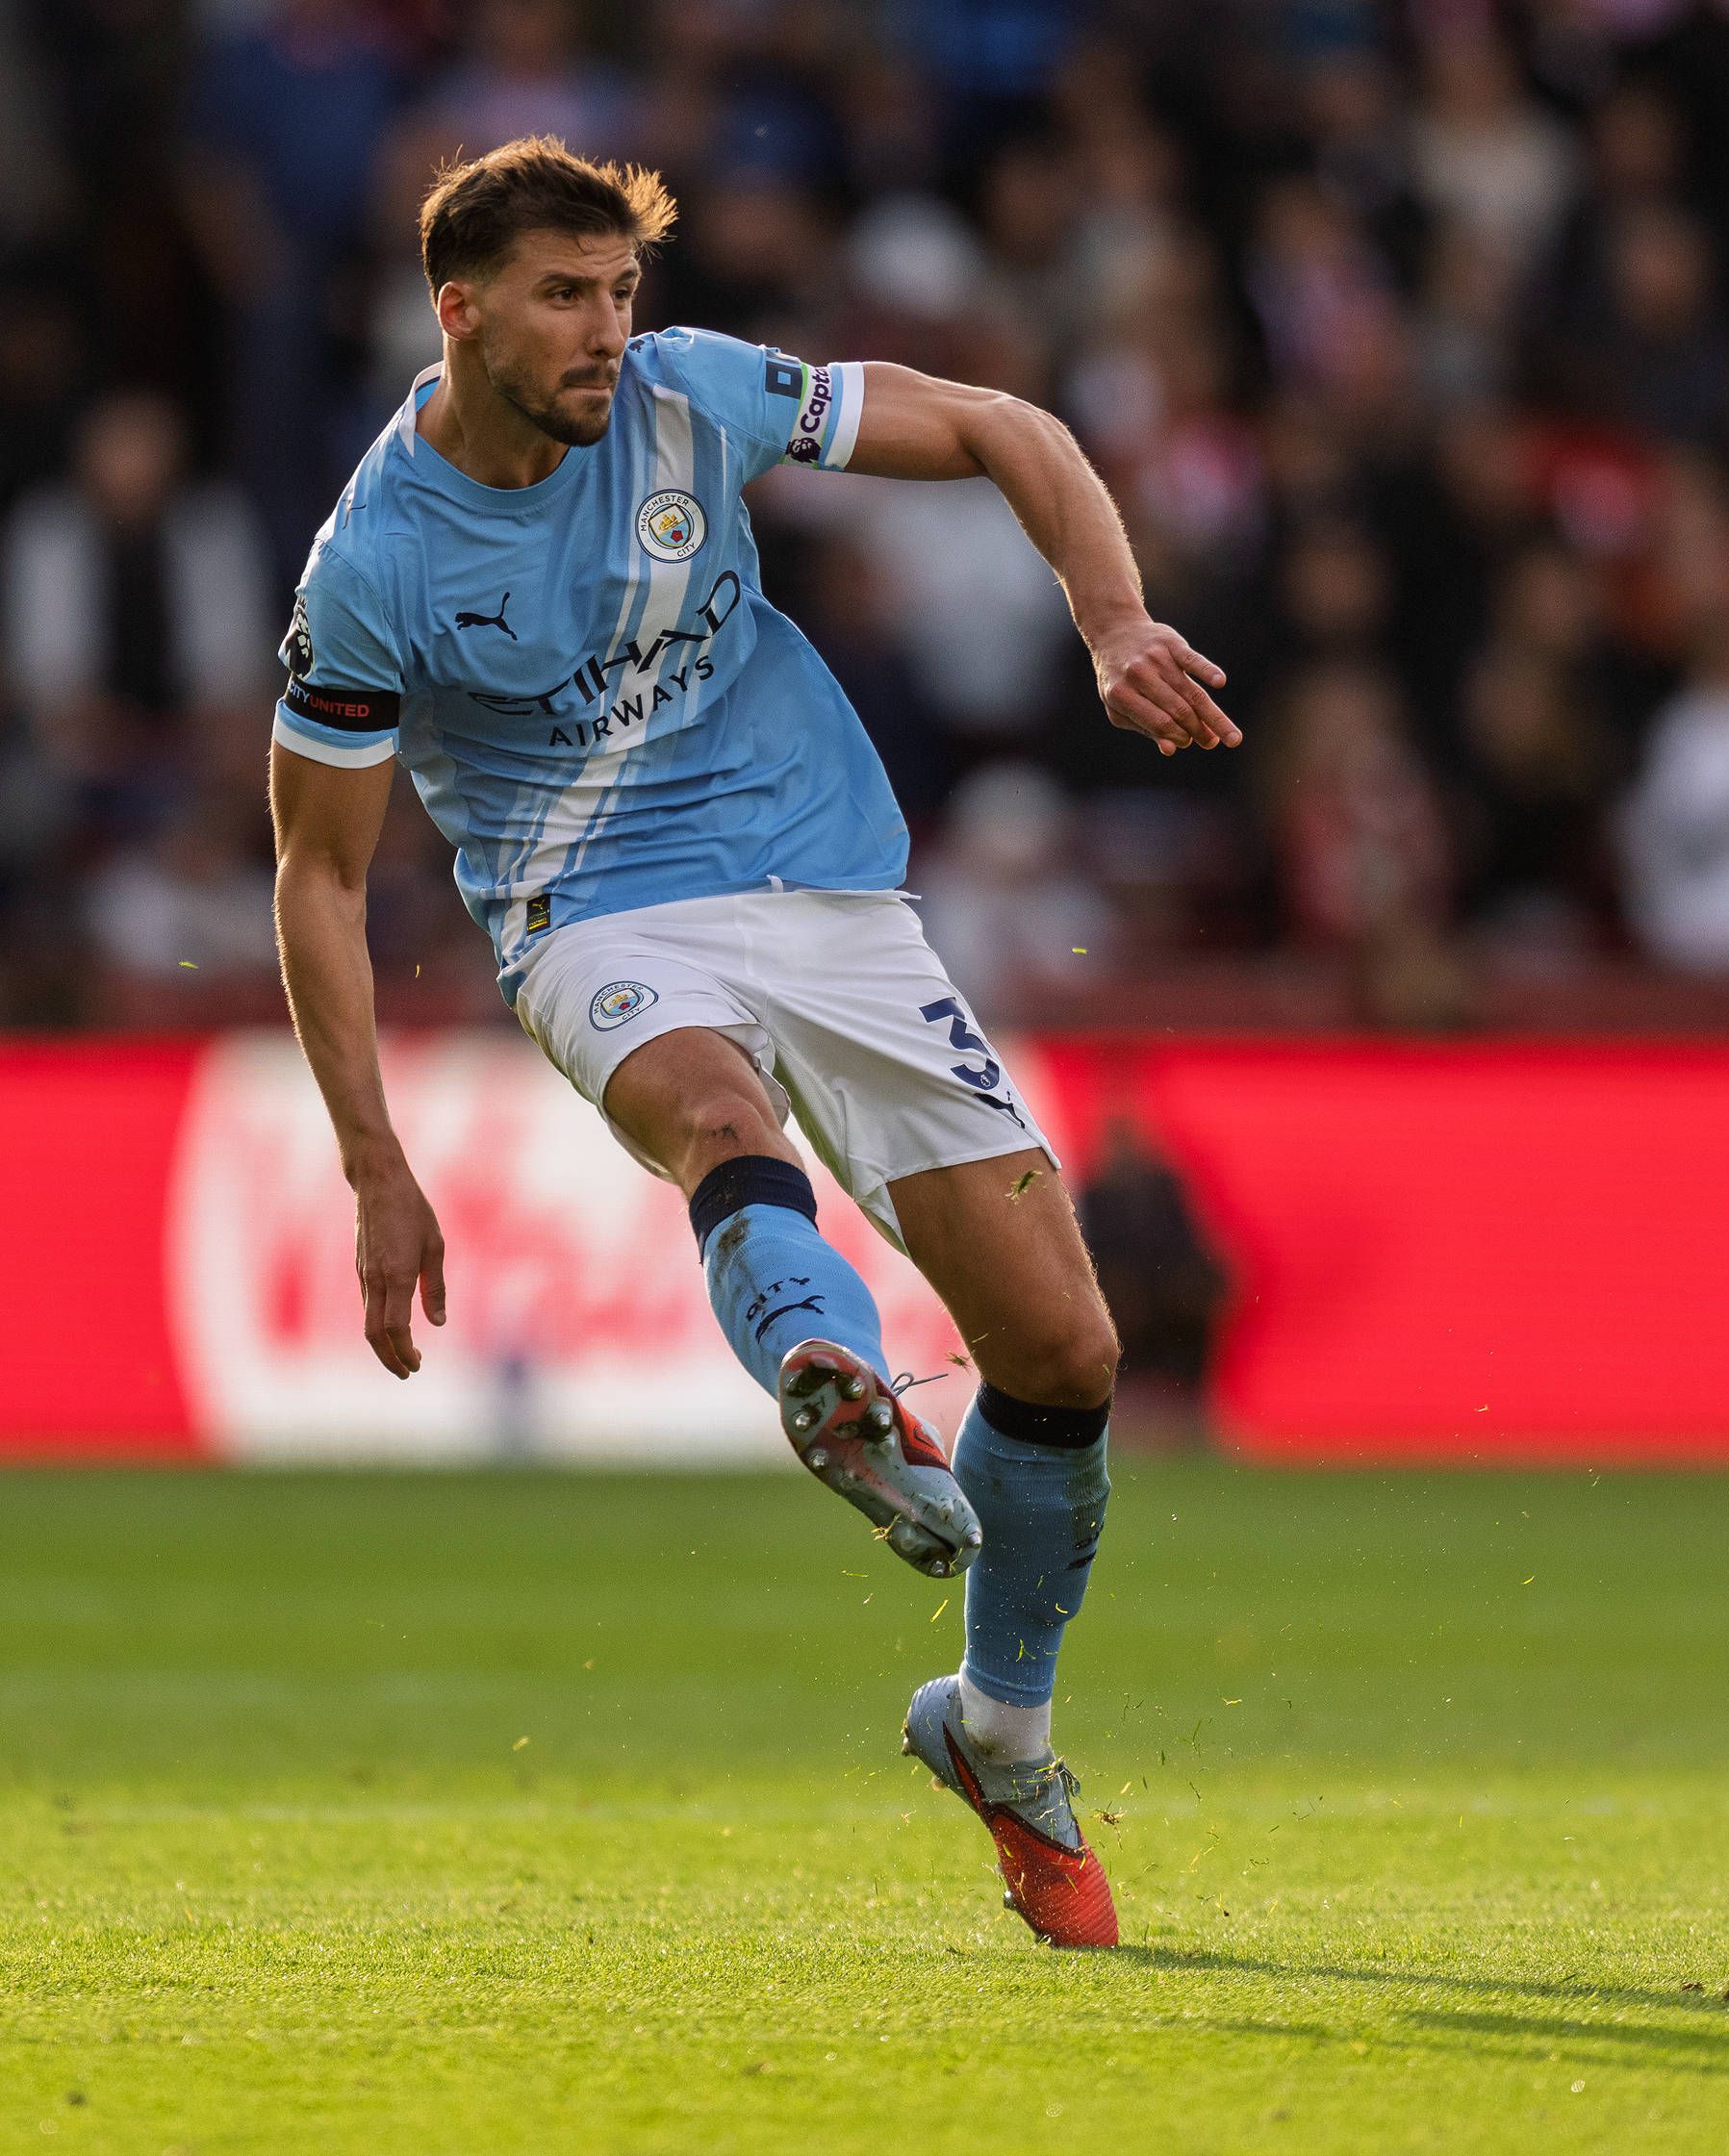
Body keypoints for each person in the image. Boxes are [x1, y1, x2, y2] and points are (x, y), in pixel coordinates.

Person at [265, 139, 1237, 1949]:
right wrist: (376, 1166)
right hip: (595, 917)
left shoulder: (697, 395)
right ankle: (833, 1380)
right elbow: (319, 879)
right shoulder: (375, 558)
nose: (608, 333)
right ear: (459, 312)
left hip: (827, 887)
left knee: (1068, 1347)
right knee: (716, 1115)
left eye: (621, 292)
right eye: (566, 296)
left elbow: (1009, 425)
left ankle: (1000, 1731)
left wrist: (1110, 621)